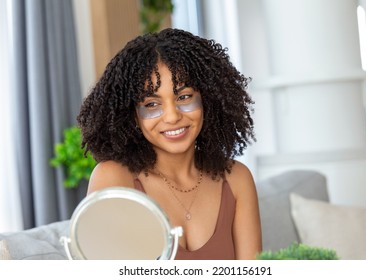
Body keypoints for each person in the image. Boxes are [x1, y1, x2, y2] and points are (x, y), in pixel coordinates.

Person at [77, 28, 262, 260]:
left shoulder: (236, 180)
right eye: (152, 104)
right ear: (133, 115)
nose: (172, 116)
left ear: (207, 100)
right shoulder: (114, 179)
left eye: (184, 97)